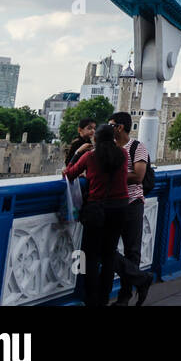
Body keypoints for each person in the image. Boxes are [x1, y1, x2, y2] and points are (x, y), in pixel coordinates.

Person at [65, 125, 144, 306]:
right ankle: (104, 298)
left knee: (90, 257)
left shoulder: (90, 156)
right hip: (120, 208)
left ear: (96, 139)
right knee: (109, 255)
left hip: (97, 209)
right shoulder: (122, 155)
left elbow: (69, 174)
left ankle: (91, 299)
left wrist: (77, 153)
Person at [110, 112, 154, 307]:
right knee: (106, 250)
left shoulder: (138, 147)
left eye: (110, 124)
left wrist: (111, 174)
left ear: (120, 127)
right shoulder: (108, 148)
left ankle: (124, 298)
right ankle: (141, 279)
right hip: (110, 204)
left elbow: (138, 176)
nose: (108, 127)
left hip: (132, 203)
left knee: (132, 251)